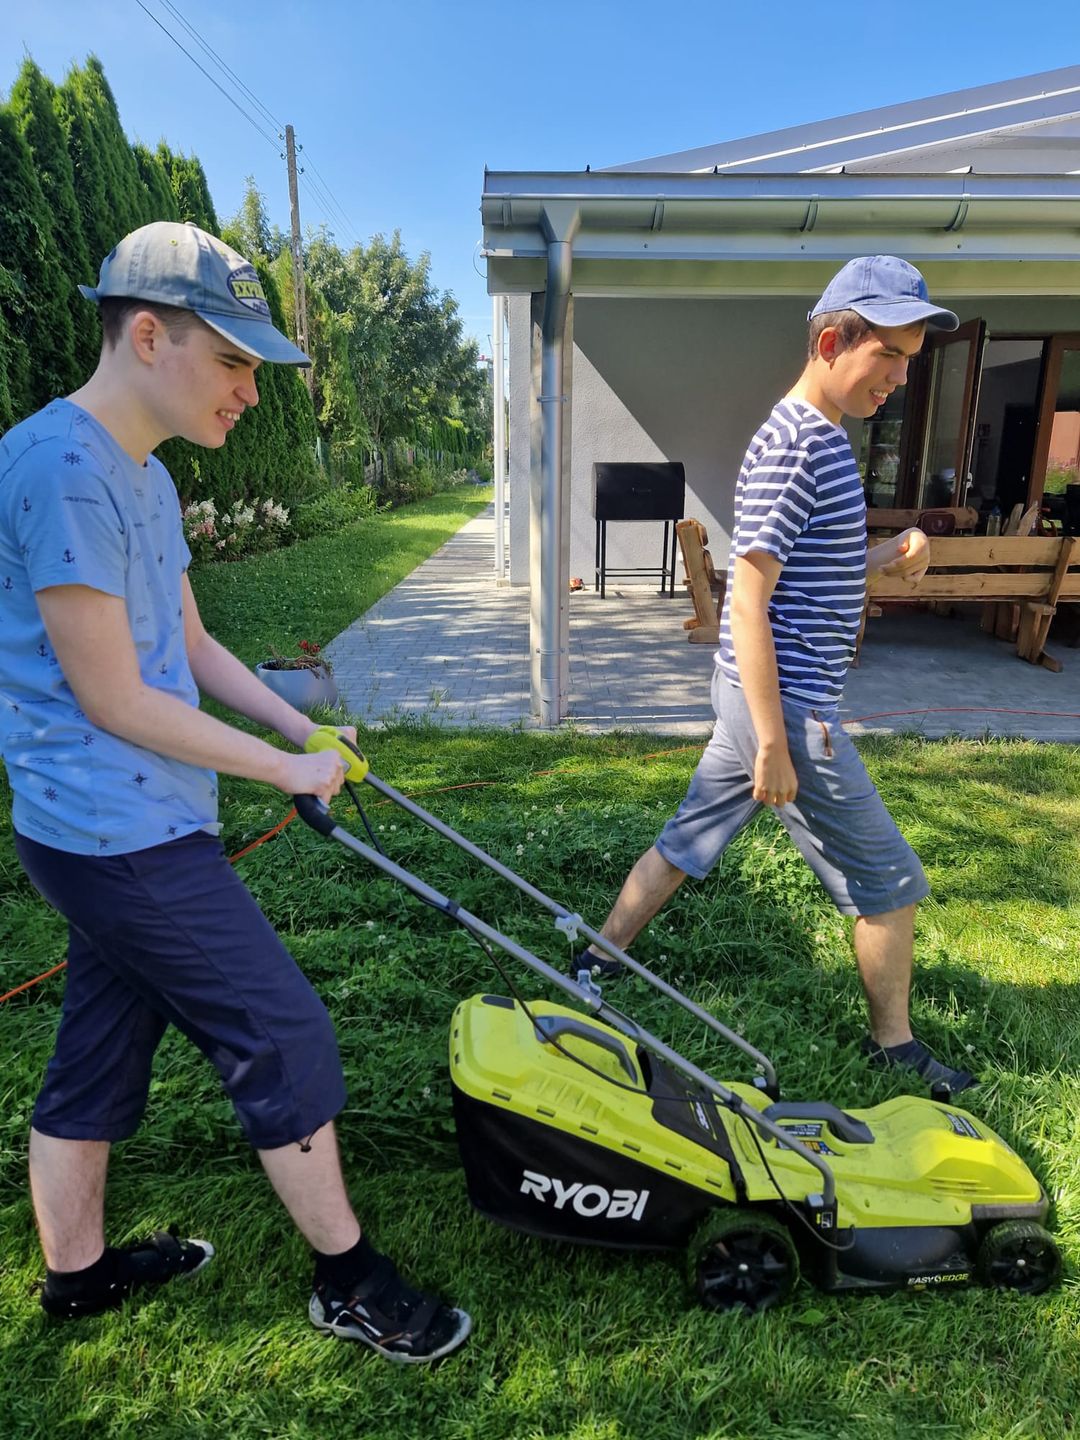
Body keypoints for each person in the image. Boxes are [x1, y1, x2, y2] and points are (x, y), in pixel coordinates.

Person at [0, 221, 471, 1362]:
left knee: (99, 1048)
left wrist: (299, 725)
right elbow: (115, 697)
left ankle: (76, 1278)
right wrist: (281, 770)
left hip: (134, 820)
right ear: (147, 334)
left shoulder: (143, 478)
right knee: (280, 1031)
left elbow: (191, 645)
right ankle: (348, 1281)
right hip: (113, 831)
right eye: (237, 362)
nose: (253, 393)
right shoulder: (60, 470)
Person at [576, 255, 975, 1094]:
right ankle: (894, 1046)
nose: (901, 380)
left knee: (684, 843)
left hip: (763, 697)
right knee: (891, 882)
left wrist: (884, 557)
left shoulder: (821, 439)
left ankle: (592, 964)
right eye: (890, 358)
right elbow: (748, 599)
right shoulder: (797, 445)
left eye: (910, 360)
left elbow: (809, 567)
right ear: (834, 340)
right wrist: (772, 741)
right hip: (788, 705)